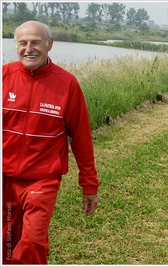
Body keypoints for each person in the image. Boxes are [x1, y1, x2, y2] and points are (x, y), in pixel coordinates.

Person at [2, 21, 100, 264]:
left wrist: (89, 185)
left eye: (35, 42)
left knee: (33, 241)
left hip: (42, 179)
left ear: (50, 44)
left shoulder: (66, 84)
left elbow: (81, 138)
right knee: (6, 245)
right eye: (23, 43)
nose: (29, 48)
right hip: (4, 179)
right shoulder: (4, 77)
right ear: (16, 46)